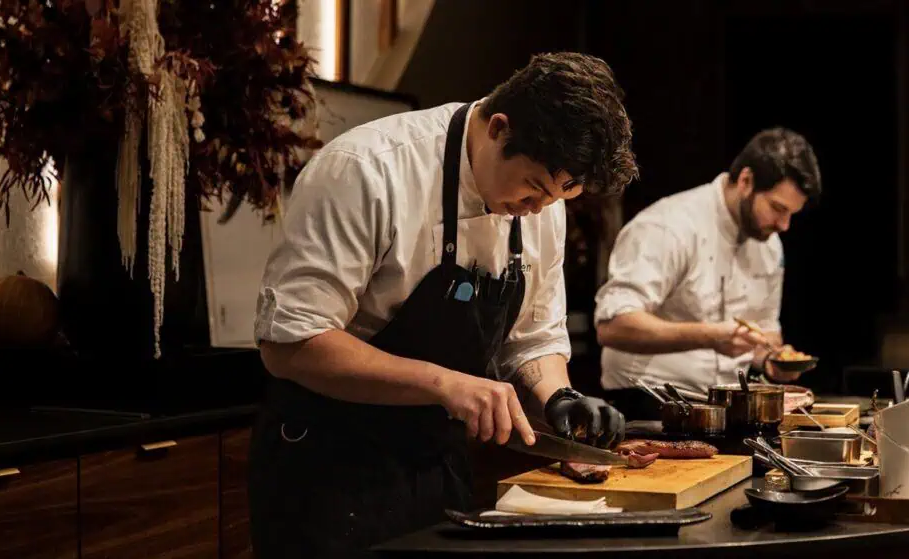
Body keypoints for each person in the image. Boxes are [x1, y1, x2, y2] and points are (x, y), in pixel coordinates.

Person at [247, 52, 639, 557]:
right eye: (534, 189)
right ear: (499, 128)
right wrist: (446, 385)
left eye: (557, 198)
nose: (538, 209)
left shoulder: (544, 203)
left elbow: (533, 338)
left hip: (438, 469)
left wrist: (558, 395)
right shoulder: (367, 170)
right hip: (328, 469)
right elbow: (290, 343)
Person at [593, 127, 821, 419]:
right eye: (778, 208)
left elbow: (765, 333)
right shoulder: (668, 226)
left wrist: (770, 360)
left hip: (726, 408)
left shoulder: (770, 246)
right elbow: (613, 326)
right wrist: (710, 336)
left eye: (792, 214)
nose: (784, 225)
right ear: (746, 181)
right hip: (647, 404)